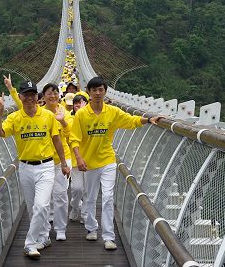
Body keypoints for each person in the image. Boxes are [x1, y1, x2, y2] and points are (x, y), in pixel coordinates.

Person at [69, 77, 164, 250]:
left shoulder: (112, 111)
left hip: (107, 160)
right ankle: (91, 228)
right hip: (89, 163)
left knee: (107, 197)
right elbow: (74, 139)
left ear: (105, 91)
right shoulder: (81, 114)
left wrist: (148, 120)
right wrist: (79, 158)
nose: (98, 93)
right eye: (94, 90)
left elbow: (129, 120)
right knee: (90, 198)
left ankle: (109, 237)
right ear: (88, 93)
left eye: (101, 90)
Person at [0, 81, 71, 258]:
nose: (29, 98)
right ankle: (44, 237)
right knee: (32, 207)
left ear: (38, 97)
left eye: (32, 94)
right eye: (25, 95)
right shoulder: (14, 117)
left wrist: (65, 164)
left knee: (42, 204)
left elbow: (57, 140)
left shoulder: (47, 116)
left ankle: (29, 244)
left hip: (46, 166)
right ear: (20, 97)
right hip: (25, 167)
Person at [41, 83, 73, 241]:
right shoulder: (39, 113)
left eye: (55, 93)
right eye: (49, 93)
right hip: (45, 160)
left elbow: (70, 134)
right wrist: (12, 91)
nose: (52, 96)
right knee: (45, 197)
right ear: (43, 96)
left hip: (63, 159)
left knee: (60, 194)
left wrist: (63, 122)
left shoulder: (64, 112)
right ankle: (45, 228)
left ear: (59, 95)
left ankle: (60, 228)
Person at [68, 93, 89, 223]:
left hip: (90, 159)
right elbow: (72, 133)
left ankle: (85, 215)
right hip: (75, 159)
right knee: (77, 188)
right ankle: (75, 207)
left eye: (81, 103)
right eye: (76, 103)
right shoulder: (70, 119)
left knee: (87, 191)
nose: (78, 105)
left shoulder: (92, 117)